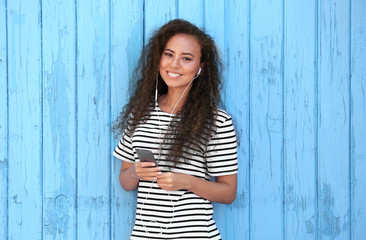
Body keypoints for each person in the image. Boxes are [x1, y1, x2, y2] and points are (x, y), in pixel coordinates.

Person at [113, 19, 238, 240]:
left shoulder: (216, 121)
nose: (174, 64)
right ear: (158, 58)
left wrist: (186, 181)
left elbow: (228, 192)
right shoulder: (140, 113)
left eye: (186, 58)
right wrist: (135, 172)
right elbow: (125, 181)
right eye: (168, 54)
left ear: (200, 68)